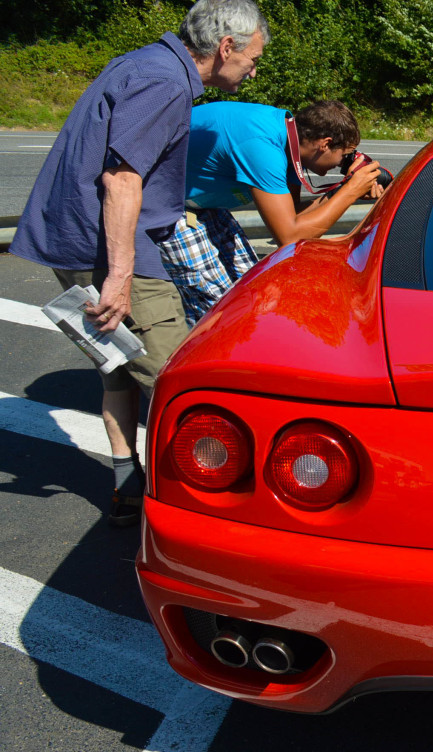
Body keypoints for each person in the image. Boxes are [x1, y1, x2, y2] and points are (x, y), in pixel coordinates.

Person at [9, 0, 269, 527]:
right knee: (182, 381)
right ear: (226, 48)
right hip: (106, 250)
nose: (254, 69)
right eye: (253, 59)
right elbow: (121, 180)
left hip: (77, 241)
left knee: (120, 367)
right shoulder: (165, 82)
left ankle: (128, 488)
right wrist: (121, 280)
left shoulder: (142, 61)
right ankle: (215, 514)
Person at [158, 99, 385, 324]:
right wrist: (351, 191)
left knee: (250, 291)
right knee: (224, 312)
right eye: (345, 155)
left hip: (205, 205)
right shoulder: (263, 147)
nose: (341, 164)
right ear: (324, 144)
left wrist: (345, 190)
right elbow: (289, 236)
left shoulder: (288, 136)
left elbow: (292, 215)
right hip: (163, 205)